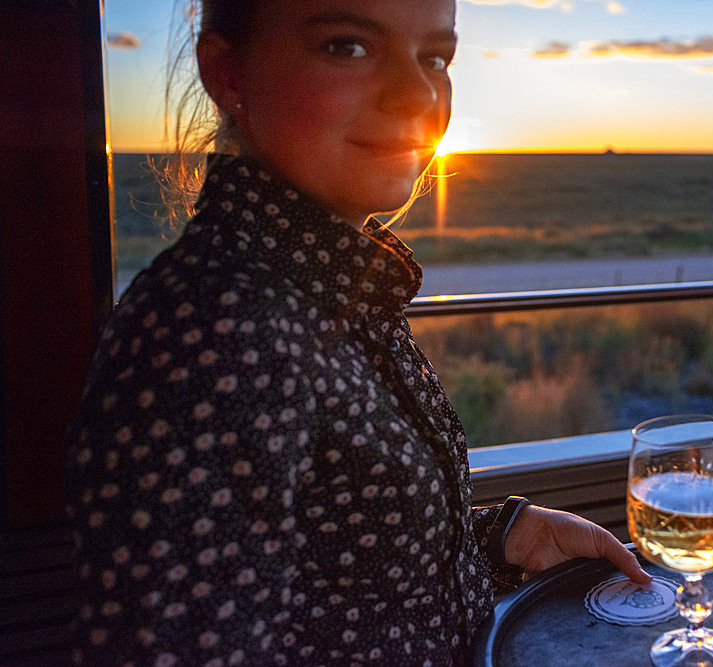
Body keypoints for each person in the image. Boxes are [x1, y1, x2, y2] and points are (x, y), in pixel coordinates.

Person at [65, 0, 650, 664]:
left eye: (436, 57)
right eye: (349, 46)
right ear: (229, 75)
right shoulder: (214, 334)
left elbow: (337, 575)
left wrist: (500, 541)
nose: (417, 94)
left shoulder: (323, 286)